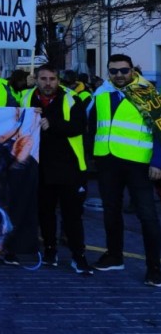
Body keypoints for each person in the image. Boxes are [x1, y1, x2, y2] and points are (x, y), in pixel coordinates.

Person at [89, 54, 161, 286]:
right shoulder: (101, 92)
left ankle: (155, 267)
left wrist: (157, 162)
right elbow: (91, 123)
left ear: (133, 69)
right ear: (108, 72)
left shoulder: (148, 92)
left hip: (138, 162)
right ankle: (114, 256)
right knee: (110, 210)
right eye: (114, 71)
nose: (119, 75)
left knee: (147, 216)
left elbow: (160, 130)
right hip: (107, 160)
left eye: (124, 70)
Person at [21, 65, 92, 274]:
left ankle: (78, 256)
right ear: (36, 79)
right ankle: (50, 250)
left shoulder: (72, 99)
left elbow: (79, 126)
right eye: (43, 78)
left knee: (72, 215)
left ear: (58, 80)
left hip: (69, 166)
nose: (48, 83)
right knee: (45, 212)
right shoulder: (25, 98)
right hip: (39, 165)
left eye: (52, 79)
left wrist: (52, 123)